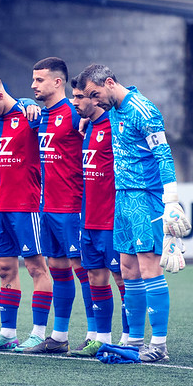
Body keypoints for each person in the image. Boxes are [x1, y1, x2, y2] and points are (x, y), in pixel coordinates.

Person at [78, 63, 190, 363]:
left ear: (110, 83)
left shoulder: (144, 110)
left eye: (95, 94)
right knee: (128, 269)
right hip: (122, 198)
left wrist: (171, 201)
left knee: (149, 267)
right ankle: (134, 340)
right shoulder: (112, 111)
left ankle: (159, 344)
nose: (94, 101)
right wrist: (88, 123)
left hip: (146, 198)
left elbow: (163, 155)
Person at [0, 71, 54, 353]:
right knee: (5, 269)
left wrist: (31, 103)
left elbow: (49, 120)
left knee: (36, 268)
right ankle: (7, 334)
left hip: (26, 206)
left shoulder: (30, 116)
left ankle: (39, 333)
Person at [22, 57, 95, 354]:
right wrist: (26, 102)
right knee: (59, 271)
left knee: (85, 272)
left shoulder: (75, 113)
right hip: (47, 206)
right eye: (33, 80)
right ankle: (59, 336)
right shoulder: (40, 115)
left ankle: (96, 334)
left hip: (72, 206)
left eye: (39, 80)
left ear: (58, 82)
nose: (33, 85)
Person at [66, 75, 129, 357]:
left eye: (80, 97)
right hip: (88, 217)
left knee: (122, 279)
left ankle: (129, 338)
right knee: (94, 277)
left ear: (96, 97)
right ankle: (101, 338)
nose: (75, 102)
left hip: (111, 218)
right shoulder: (88, 126)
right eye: (74, 96)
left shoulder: (115, 124)